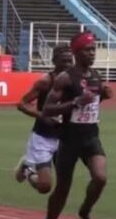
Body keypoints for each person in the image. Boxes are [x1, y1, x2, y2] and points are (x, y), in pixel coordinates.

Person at [38, 32, 113, 219]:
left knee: (100, 177)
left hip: (91, 136)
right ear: (77, 52)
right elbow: (47, 109)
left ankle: (84, 212)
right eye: (87, 50)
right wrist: (75, 102)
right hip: (69, 139)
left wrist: (104, 96)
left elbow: (93, 103)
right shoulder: (65, 78)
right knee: (62, 189)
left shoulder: (96, 75)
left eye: (93, 50)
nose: (92, 53)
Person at [14, 44, 73, 195]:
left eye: (69, 61)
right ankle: (27, 169)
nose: (67, 65)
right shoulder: (46, 81)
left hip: (64, 137)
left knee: (64, 181)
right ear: (54, 61)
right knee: (44, 186)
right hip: (43, 137)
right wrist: (43, 116)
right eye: (63, 61)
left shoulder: (75, 81)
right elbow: (22, 103)